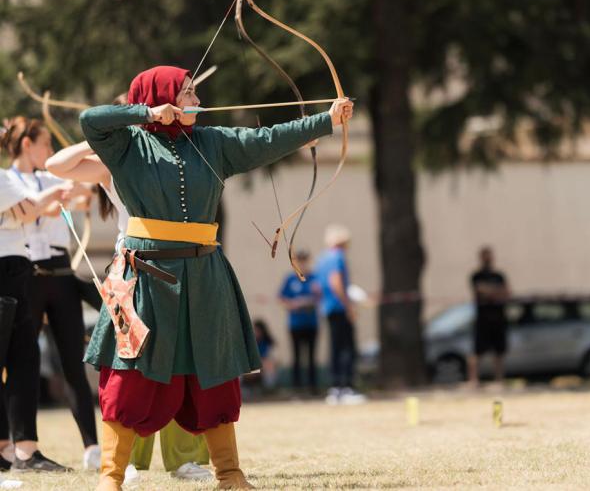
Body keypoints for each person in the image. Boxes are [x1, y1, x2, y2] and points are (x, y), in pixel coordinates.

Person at [79, 65, 351, 491]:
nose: (197, 101)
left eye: (193, 92)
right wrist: (146, 113)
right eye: (187, 93)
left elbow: (267, 139)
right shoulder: (127, 146)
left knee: (214, 373)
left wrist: (328, 119)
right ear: (162, 97)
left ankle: (229, 474)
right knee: (130, 376)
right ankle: (110, 479)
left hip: (204, 275)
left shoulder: (212, 142)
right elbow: (89, 120)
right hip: (145, 276)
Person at [46, 140, 213, 482]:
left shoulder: (171, 156)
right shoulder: (114, 160)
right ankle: (128, 458)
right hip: (131, 272)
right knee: (132, 364)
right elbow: (56, 165)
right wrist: (95, 139)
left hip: (176, 266)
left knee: (181, 361)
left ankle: (183, 459)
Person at [0, 117, 100, 470]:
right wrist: (47, 200)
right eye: (45, 145)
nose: (50, 152)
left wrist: (72, 193)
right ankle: (15, 447)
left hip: (56, 272)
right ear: (27, 145)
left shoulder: (50, 175)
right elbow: (25, 210)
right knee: (18, 359)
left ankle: (89, 446)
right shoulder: (7, 178)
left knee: (69, 359)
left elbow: (85, 196)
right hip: (23, 273)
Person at [315, 224, 364, 405]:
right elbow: (336, 282)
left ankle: (335, 388)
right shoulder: (338, 257)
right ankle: (346, 387)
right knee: (346, 348)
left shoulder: (321, 259)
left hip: (327, 308)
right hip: (339, 307)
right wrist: (349, 305)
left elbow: (318, 286)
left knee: (335, 348)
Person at [467, 246, 510, 386]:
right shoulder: (476, 275)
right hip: (483, 319)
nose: (488, 259)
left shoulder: (499, 276)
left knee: (499, 352)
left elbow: (507, 293)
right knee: (477, 351)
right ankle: (473, 380)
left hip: (498, 318)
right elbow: (480, 291)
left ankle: (499, 379)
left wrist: (491, 292)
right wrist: (495, 292)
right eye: (485, 256)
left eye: (490, 256)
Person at [278, 251, 319, 393]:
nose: (302, 264)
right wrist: (293, 304)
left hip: (311, 323)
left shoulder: (314, 278)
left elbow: (320, 297)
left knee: (311, 356)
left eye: (304, 260)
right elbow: (281, 298)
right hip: (295, 324)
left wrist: (313, 299)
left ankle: (312, 386)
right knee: (296, 356)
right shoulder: (290, 279)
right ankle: (297, 386)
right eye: (299, 260)